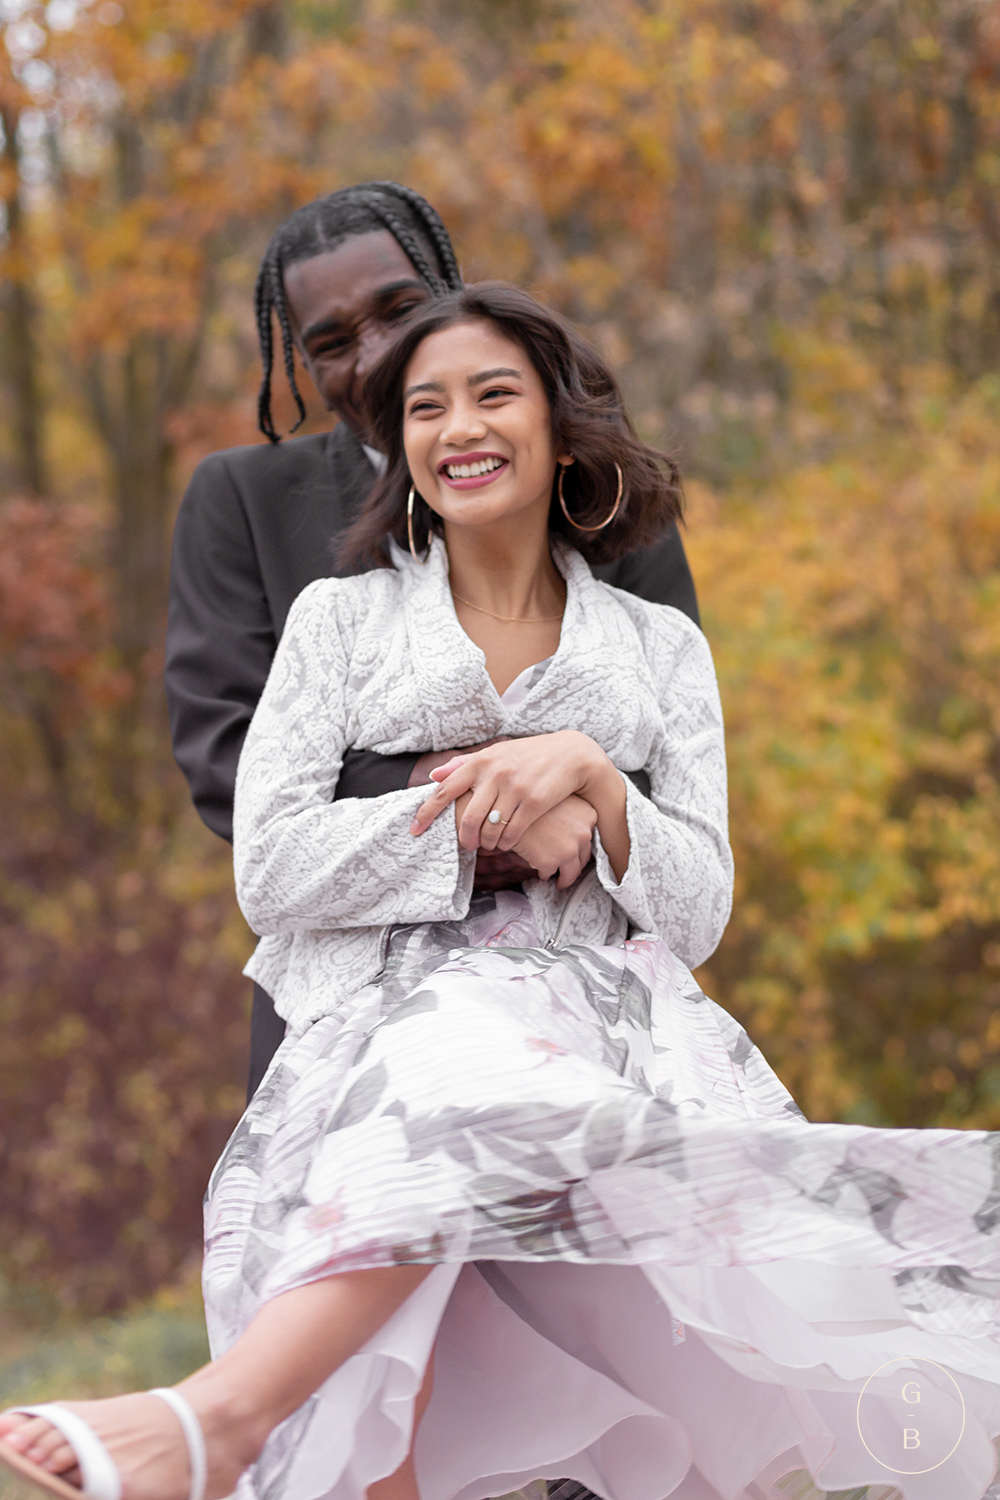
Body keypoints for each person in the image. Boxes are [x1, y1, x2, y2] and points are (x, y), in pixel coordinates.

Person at [3, 282, 999, 1500]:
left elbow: (698, 912)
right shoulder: (339, 623)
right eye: (425, 407)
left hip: (609, 1050)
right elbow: (269, 869)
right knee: (396, 1406)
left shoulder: (657, 648)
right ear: (400, 443)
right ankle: (223, 1418)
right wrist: (483, 829)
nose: (457, 428)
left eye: (492, 395)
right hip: (385, 1041)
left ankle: (215, 1421)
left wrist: (594, 780)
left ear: (562, 425)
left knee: (650, 1434)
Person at [163, 181, 701, 1104]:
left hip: (593, 1009)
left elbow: (671, 762)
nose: (369, 356)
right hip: (351, 1021)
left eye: (398, 312)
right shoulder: (242, 503)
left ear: (451, 294)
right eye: (329, 343)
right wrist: (471, 804)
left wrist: (582, 787)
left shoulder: (602, 494)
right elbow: (231, 760)